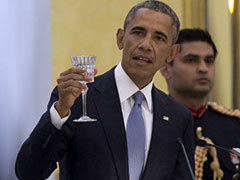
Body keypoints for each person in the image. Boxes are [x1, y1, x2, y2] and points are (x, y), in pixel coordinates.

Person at [15, 1, 195, 180]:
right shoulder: (78, 98)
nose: (146, 45)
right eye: (138, 33)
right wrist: (60, 112)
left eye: (159, 38)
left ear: (172, 52)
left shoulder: (178, 118)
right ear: (120, 38)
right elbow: (29, 172)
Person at [160, 28, 240, 180]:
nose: (203, 68)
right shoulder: (154, 123)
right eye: (191, 60)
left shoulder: (234, 125)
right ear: (165, 70)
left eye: (209, 61)